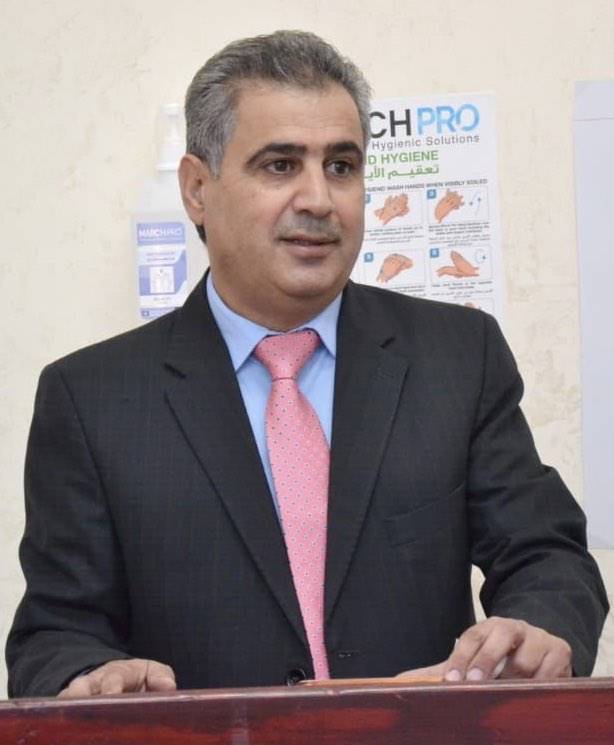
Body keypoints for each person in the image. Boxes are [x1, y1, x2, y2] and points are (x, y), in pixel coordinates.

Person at [6, 30, 608, 698]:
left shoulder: (458, 356)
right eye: (280, 165)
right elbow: (54, 633)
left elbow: (546, 555)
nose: (319, 199)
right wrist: (88, 676)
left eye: (342, 166)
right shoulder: (90, 399)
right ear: (198, 188)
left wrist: (537, 628)